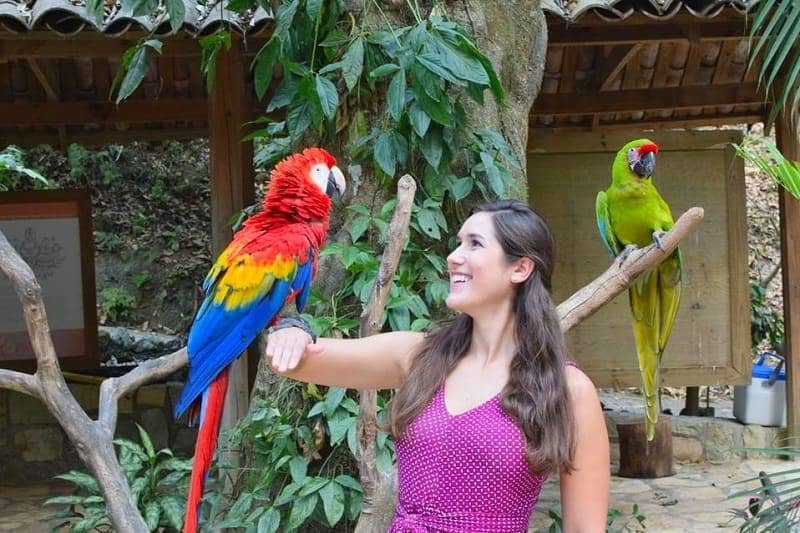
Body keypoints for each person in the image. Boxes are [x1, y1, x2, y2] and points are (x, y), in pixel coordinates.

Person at [266, 199, 610, 532]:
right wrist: (294, 331)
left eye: (474, 244)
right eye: (457, 243)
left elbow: (584, 527)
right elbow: (298, 362)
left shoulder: (569, 389)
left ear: (520, 268)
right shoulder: (420, 356)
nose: (453, 257)